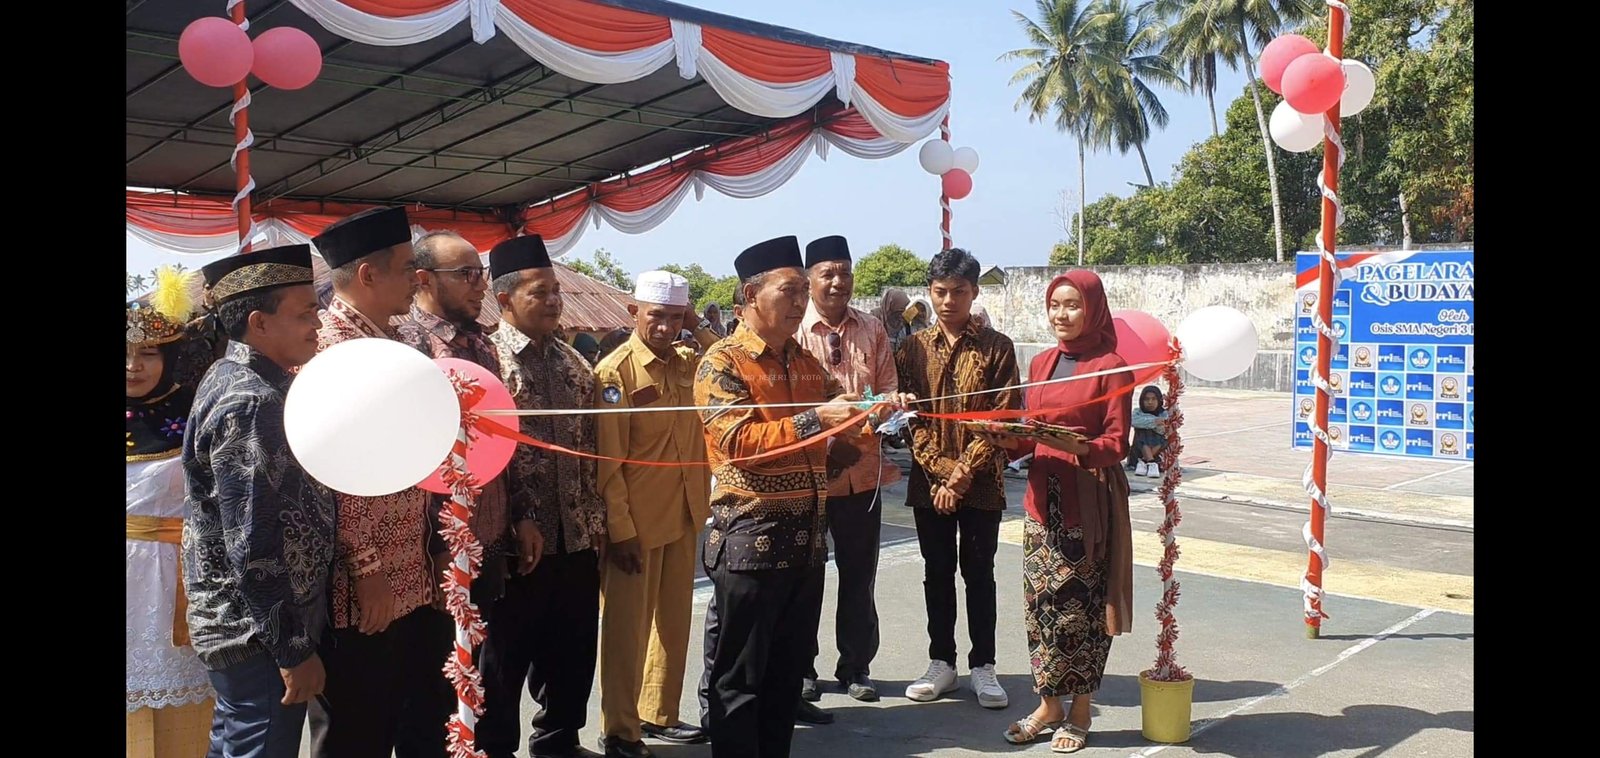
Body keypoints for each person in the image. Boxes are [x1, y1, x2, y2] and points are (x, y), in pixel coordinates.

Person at [696, 236, 864, 758]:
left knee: (786, 676)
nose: (799, 302)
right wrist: (821, 420)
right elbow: (738, 444)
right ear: (750, 294)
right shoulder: (721, 363)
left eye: (800, 292)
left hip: (807, 542)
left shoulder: (809, 364)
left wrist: (862, 424)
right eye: (788, 291)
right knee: (740, 678)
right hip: (750, 543)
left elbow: (829, 452)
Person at [306, 207, 452, 758]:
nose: (418, 279)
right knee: (357, 732)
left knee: (419, 722)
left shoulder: (397, 343)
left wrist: (437, 545)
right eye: (407, 267)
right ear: (368, 276)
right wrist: (366, 569)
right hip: (360, 588)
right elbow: (329, 477)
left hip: (414, 571)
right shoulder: (327, 354)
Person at [182, 245, 337, 758]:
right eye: (304, 313)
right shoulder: (252, 399)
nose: (318, 324)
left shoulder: (236, 379)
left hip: (243, 627)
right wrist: (293, 650)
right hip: (258, 635)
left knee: (235, 743)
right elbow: (251, 541)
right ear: (258, 323)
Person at [984, 270, 1134, 754]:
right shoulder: (1043, 362)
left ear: (1092, 308)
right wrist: (1008, 439)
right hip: (1039, 502)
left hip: (1086, 501)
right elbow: (1031, 432)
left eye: (1072, 305)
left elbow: (1116, 444)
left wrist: (1072, 444)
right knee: (1041, 608)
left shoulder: (1112, 366)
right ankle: (1048, 705)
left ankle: (1082, 710)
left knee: (1081, 612)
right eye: (1054, 305)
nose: (1061, 315)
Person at [481, 234, 607, 758]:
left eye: (557, 290)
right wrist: (514, 519)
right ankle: (495, 749)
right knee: (505, 660)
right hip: (516, 543)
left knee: (573, 652)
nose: (555, 300)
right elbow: (486, 459)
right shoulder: (488, 362)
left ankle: (558, 741)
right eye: (541, 292)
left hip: (574, 535)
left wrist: (598, 527)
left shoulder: (574, 365)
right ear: (506, 298)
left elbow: (592, 449)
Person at [395, 229, 517, 739]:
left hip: (486, 538)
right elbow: (406, 461)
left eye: (481, 274)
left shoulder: (483, 346)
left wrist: (521, 518)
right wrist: (434, 545)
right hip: (435, 554)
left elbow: (505, 441)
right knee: (433, 688)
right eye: (466, 275)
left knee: (478, 677)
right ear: (423, 279)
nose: (479, 286)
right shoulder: (404, 348)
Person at [894, 248, 1019, 711]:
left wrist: (962, 475)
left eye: (959, 292)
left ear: (975, 292)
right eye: (940, 292)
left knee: (979, 573)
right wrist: (943, 474)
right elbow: (910, 419)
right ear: (929, 291)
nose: (949, 301)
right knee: (936, 572)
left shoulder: (997, 347)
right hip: (930, 484)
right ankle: (941, 661)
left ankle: (983, 666)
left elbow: (1002, 418)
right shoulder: (911, 348)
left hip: (982, 481)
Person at [594, 271, 711, 757]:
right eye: (655, 316)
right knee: (627, 630)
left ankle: (658, 713)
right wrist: (620, 531)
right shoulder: (615, 374)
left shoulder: (688, 362)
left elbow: (728, 356)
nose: (664, 327)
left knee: (673, 622)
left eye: (673, 318)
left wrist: (696, 323)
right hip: (636, 525)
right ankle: (620, 729)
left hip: (685, 512)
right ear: (633, 314)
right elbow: (607, 465)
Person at [794, 235, 904, 713]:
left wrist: (870, 424)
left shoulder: (873, 329)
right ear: (809, 280)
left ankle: (856, 666)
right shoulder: (792, 330)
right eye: (827, 273)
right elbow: (792, 409)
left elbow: (888, 394)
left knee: (859, 577)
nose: (838, 282)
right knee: (805, 578)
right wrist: (831, 444)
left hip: (863, 476)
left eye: (845, 271)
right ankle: (801, 669)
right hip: (809, 477)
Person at [127, 268, 215, 758]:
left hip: (177, 579)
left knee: (185, 718)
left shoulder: (197, 412)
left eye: (147, 352)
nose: (132, 366)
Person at [1129, 385, 1169, 478]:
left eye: (1153, 399)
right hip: (1138, 451)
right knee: (1142, 431)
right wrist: (1154, 422)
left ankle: (1145, 461)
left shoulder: (1164, 413)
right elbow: (1134, 422)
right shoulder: (1137, 412)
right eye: (1146, 399)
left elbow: (1163, 430)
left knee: (1165, 436)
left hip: (1158, 452)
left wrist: (1149, 423)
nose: (1150, 402)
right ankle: (1151, 462)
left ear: (1159, 400)